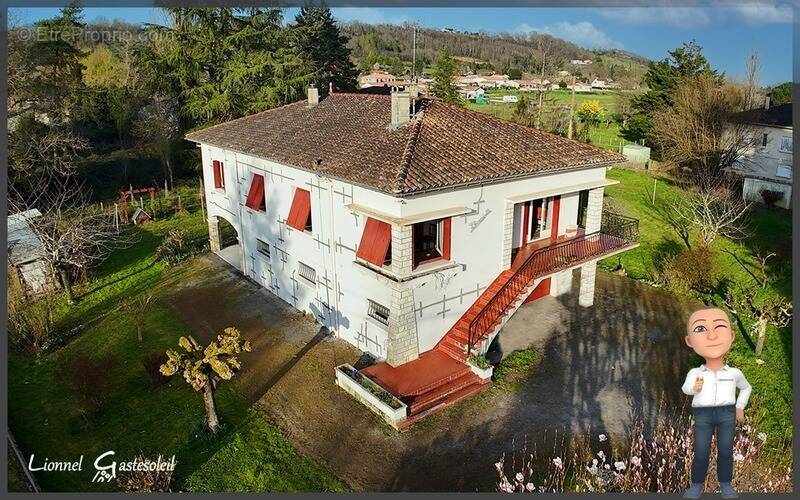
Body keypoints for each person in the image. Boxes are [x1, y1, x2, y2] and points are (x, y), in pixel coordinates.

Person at [682, 307, 752, 499]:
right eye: (700, 329)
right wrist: (694, 388)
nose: (711, 336)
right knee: (701, 451)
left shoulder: (734, 373)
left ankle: (726, 485)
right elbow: (685, 389)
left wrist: (739, 407)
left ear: (731, 336)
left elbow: (746, 388)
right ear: (689, 341)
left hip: (727, 413)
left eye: (719, 327)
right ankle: (696, 486)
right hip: (702, 414)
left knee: (726, 451)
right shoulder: (694, 373)